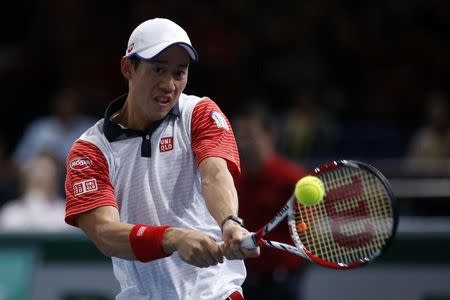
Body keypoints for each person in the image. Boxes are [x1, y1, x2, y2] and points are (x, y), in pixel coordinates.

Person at [64, 18, 259, 300]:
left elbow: (215, 174)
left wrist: (229, 221)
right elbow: (104, 233)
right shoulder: (90, 151)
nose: (169, 84)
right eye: (158, 69)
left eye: (179, 72)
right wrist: (173, 239)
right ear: (128, 68)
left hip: (215, 293)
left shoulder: (200, 113)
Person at [233, 101, 309, 300]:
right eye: (238, 135)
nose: (242, 142)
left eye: (249, 134)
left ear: (269, 137)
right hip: (239, 281)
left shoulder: (293, 179)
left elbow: (309, 233)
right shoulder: (229, 178)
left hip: (281, 285)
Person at [0, 151, 71, 231]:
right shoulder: (11, 211)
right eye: (35, 170)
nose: (39, 175)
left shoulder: (65, 212)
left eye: (45, 170)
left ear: (55, 179)